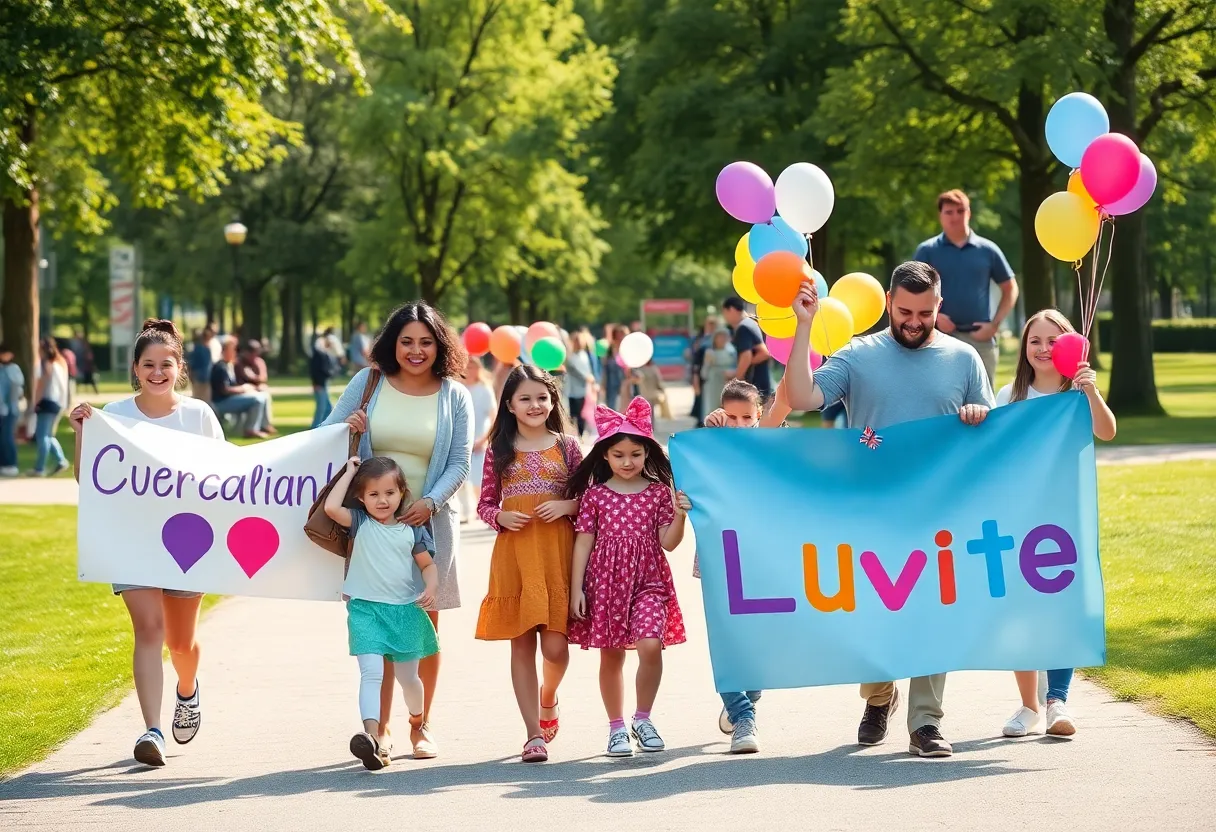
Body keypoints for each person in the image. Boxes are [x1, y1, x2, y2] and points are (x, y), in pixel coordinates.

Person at [784, 260, 995, 759]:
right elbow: (800, 396)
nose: (915, 321)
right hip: (870, 509)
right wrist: (804, 326)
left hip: (938, 512)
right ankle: (880, 696)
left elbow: (992, 435)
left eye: (925, 311)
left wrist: (978, 416)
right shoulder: (859, 354)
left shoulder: (965, 360)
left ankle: (926, 722)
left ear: (939, 306)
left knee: (932, 613)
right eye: (905, 311)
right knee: (870, 619)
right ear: (888, 303)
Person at [323, 301, 473, 763]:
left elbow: (460, 462)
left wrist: (430, 503)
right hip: (372, 529)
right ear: (392, 342)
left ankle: (420, 725)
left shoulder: (454, 395)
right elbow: (324, 436)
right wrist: (347, 429)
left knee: (424, 625)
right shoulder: (367, 384)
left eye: (426, 342)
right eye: (407, 341)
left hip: (430, 523)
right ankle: (379, 733)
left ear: (440, 345)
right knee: (378, 627)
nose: (416, 350)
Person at [69, 319, 221, 767]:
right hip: (132, 540)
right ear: (135, 368)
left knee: (180, 643)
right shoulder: (115, 414)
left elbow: (228, 482)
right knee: (148, 632)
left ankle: (188, 690)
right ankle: (152, 729)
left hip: (189, 540)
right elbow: (89, 479)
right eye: (148, 365)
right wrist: (82, 432)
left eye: (166, 364)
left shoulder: (198, 415)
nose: (157, 372)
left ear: (179, 367)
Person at [997, 309, 1116, 740]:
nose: (1043, 349)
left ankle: (1056, 701)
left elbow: (1107, 431)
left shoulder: (1077, 394)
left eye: (1053, 340)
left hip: (1064, 518)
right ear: (1024, 349)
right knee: (1020, 609)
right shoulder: (1010, 396)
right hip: (1017, 519)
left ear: (1070, 344)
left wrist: (1091, 392)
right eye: (1035, 341)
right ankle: (1028, 704)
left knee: (1060, 605)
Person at [565, 397, 691, 758]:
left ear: (647, 454)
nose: (627, 461)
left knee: (651, 644)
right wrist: (577, 589)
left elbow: (669, 543)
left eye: (635, 454)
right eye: (618, 454)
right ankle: (616, 728)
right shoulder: (595, 496)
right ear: (605, 455)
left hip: (650, 581)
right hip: (604, 584)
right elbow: (583, 542)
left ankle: (643, 718)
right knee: (612, 657)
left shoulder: (656, 493)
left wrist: (680, 516)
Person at [475, 366, 582, 762]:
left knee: (555, 649)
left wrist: (566, 504)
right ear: (509, 405)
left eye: (542, 397)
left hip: (558, 553)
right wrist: (499, 517)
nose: (534, 405)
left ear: (553, 401)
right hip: (515, 556)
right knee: (521, 645)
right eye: (525, 398)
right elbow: (485, 503)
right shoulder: (498, 450)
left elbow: (591, 501)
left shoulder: (568, 447)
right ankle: (533, 735)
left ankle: (548, 697)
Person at [323, 455, 440, 769]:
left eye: (389, 492)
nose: (382, 500)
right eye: (373, 494)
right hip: (365, 611)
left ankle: (418, 721)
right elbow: (332, 509)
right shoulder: (359, 522)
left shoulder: (411, 529)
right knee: (371, 673)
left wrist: (430, 587)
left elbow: (427, 565)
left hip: (404, 611)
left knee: (409, 679)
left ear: (402, 492)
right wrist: (348, 473)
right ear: (362, 498)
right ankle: (371, 738)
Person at [699, 379, 792, 754]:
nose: (738, 424)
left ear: (759, 415)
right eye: (731, 416)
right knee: (727, 638)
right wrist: (708, 436)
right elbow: (693, 474)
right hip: (722, 550)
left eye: (746, 417)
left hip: (763, 552)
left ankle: (747, 696)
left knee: (763, 640)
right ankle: (743, 717)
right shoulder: (713, 441)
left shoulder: (770, 442)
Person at [913, 189, 1019, 386]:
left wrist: (994, 325)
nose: (955, 217)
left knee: (984, 405)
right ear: (940, 216)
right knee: (942, 401)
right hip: (938, 338)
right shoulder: (927, 251)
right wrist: (934, 317)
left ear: (969, 213)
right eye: (949, 212)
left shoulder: (988, 250)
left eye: (960, 211)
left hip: (981, 340)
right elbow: (913, 292)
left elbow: (1010, 288)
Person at [459, 354, 496, 523]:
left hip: (480, 439)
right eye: (467, 367)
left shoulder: (484, 389)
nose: (469, 370)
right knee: (460, 481)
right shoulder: (459, 389)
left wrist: (484, 439)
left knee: (478, 479)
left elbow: (493, 416)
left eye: (473, 367)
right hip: (462, 440)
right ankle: (466, 511)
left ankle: (483, 508)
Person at [209, 337, 270, 439]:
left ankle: (262, 426)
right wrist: (244, 389)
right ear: (224, 351)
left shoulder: (228, 365)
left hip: (228, 399)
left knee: (262, 395)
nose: (234, 353)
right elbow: (225, 390)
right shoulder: (220, 367)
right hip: (220, 403)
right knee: (258, 400)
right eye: (232, 350)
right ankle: (251, 429)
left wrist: (249, 388)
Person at [27, 337, 71, 477]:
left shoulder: (44, 364)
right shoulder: (60, 363)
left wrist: (35, 402)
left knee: (42, 436)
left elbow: (41, 385)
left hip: (46, 402)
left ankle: (39, 468)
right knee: (49, 435)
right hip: (57, 403)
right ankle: (61, 460)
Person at [721, 297, 772, 398]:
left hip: (753, 385)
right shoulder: (751, 323)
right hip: (761, 383)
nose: (725, 317)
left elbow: (747, 356)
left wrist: (736, 381)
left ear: (731, 309)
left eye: (725, 313)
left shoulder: (743, 328)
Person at [237, 339, 276, 433]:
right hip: (242, 390)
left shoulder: (259, 362)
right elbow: (244, 376)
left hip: (256, 388)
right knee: (260, 396)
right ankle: (254, 428)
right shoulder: (239, 363)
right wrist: (255, 381)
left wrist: (256, 380)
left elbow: (263, 378)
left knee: (265, 393)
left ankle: (265, 425)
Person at [564, 330, 598, 438]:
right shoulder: (570, 357)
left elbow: (589, 370)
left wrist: (592, 380)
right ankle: (574, 435)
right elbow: (574, 370)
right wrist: (586, 377)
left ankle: (580, 434)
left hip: (583, 390)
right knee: (573, 414)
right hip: (572, 390)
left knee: (581, 414)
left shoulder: (585, 355)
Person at [699, 329, 737, 425]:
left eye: (724, 337)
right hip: (713, 383)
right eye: (719, 337)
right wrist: (708, 362)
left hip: (727, 382)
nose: (722, 339)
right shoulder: (710, 352)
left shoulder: (731, 352)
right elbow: (704, 373)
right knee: (712, 408)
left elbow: (737, 367)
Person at [690, 316, 720, 425]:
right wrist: (695, 380)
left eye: (714, 325)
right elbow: (696, 364)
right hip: (703, 377)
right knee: (701, 405)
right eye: (710, 325)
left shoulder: (720, 340)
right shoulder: (701, 341)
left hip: (715, 378)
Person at [0, 343, 24, 476]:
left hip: (10, 410)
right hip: (2, 409)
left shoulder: (14, 369)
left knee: (7, 437)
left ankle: (11, 464)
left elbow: (16, 390)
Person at [310, 332, 341, 428]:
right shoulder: (318, 354)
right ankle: (315, 427)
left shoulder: (324, 353)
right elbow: (315, 370)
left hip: (323, 383)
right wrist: (316, 383)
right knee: (321, 408)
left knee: (327, 407)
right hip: (320, 384)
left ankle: (324, 425)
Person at [601, 324, 629, 412]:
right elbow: (605, 368)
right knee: (613, 409)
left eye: (622, 334)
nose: (620, 337)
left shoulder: (629, 349)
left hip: (625, 384)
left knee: (625, 409)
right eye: (618, 334)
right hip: (611, 384)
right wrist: (603, 384)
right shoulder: (610, 349)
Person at [188, 329, 214, 403]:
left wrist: (191, 377)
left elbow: (191, 365)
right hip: (207, 377)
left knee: (197, 401)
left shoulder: (195, 350)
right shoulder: (207, 350)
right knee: (206, 401)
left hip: (198, 378)